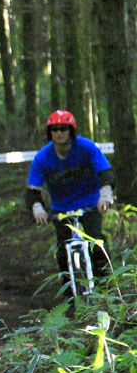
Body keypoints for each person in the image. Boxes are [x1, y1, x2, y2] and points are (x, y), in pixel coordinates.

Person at [26, 110, 114, 289]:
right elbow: (32, 190)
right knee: (62, 252)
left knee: (96, 243)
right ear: (49, 132)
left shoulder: (86, 147)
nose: (59, 133)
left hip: (90, 203)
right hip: (61, 208)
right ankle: (70, 298)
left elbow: (106, 173)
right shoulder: (42, 157)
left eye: (63, 129)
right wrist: (38, 208)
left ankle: (108, 287)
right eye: (55, 129)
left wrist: (105, 195)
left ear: (71, 130)